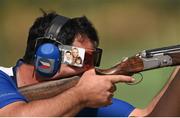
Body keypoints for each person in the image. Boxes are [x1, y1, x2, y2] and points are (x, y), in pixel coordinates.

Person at [0, 11, 179, 117]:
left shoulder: (75, 100)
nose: (89, 70)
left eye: (92, 60)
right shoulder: (2, 79)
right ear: (47, 55)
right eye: (81, 58)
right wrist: (80, 96)